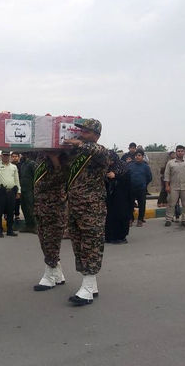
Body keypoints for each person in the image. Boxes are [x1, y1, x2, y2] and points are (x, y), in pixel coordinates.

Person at [63, 118, 109, 306]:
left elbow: (98, 150)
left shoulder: (99, 152)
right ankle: (91, 284)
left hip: (92, 207)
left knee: (91, 244)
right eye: (81, 131)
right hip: (74, 205)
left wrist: (79, 143)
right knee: (79, 244)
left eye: (87, 132)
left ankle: (88, 289)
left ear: (96, 135)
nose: (82, 133)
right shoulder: (79, 152)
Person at [32, 150, 69, 292]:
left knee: (51, 241)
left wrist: (54, 157)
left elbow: (62, 176)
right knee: (44, 240)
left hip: (53, 207)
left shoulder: (63, 156)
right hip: (40, 206)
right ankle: (57, 273)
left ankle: (50, 276)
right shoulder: (41, 155)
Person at [164, 145, 185, 227]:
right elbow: (167, 175)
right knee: (171, 204)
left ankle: (184, 219)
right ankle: (168, 219)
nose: (180, 152)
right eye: (178, 151)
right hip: (173, 187)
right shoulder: (170, 163)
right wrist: (167, 186)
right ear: (176, 152)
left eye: (182, 151)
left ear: (184, 152)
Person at [104, 151, 131, 244]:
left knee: (121, 216)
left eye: (110, 159)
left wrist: (116, 176)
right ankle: (109, 236)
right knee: (109, 216)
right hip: (110, 196)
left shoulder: (123, 166)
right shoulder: (106, 167)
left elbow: (127, 181)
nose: (109, 161)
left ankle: (121, 237)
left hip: (121, 196)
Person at [127, 149, 152, 227]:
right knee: (130, 204)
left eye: (139, 155)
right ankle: (130, 219)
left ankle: (140, 220)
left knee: (142, 204)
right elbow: (127, 176)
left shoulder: (146, 167)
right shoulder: (130, 165)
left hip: (141, 189)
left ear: (142, 156)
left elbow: (149, 178)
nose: (137, 157)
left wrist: (144, 184)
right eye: (136, 155)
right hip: (131, 188)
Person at [18, 152, 37, 232]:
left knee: (31, 208)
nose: (22, 156)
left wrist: (35, 189)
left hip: (30, 189)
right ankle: (28, 225)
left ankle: (35, 226)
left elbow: (36, 177)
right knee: (24, 207)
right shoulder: (23, 164)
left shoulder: (32, 164)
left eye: (23, 154)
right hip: (23, 189)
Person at [11, 152, 22, 221]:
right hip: (11, 185)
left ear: (19, 157)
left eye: (16, 156)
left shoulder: (21, 165)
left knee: (17, 200)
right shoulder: (9, 165)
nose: (14, 158)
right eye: (13, 156)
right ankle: (7, 214)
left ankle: (17, 215)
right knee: (10, 201)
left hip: (18, 185)